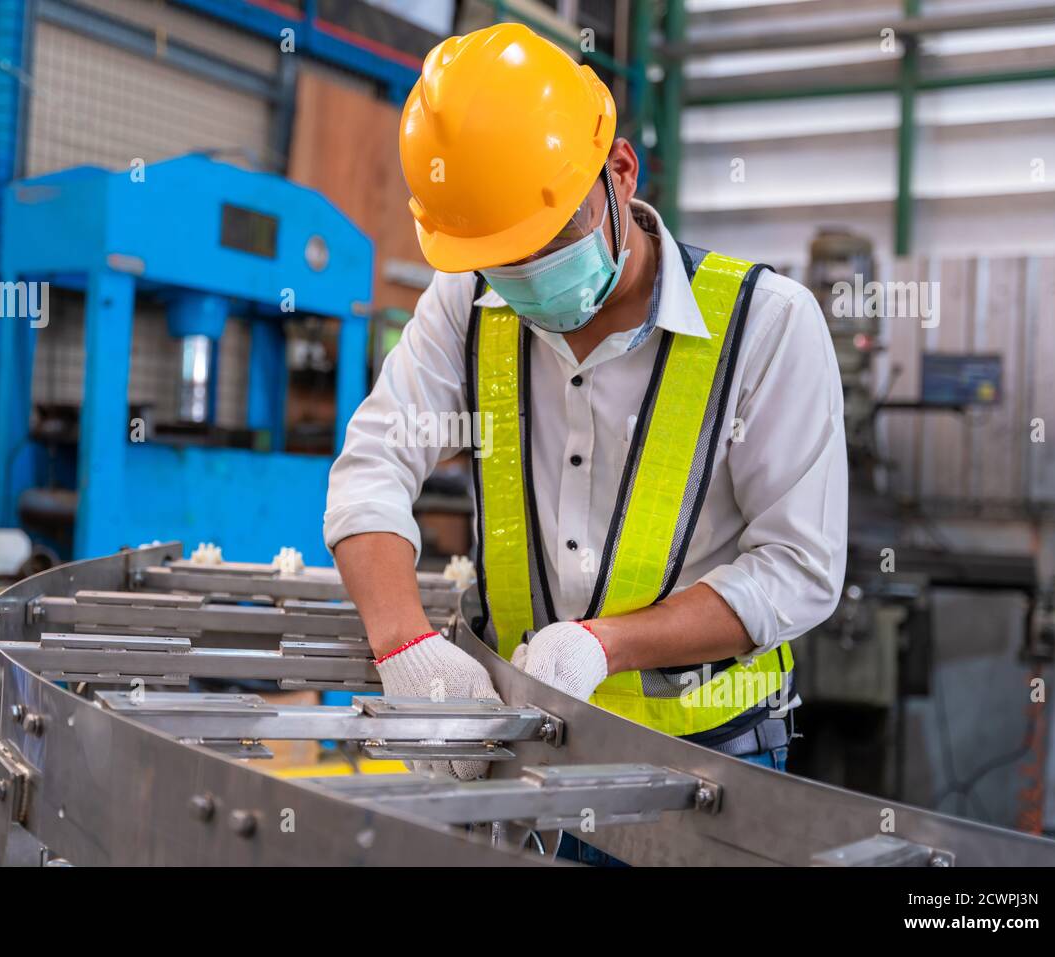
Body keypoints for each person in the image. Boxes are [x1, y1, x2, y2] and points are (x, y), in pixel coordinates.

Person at [323, 22, 847, 810]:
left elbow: (800, 568)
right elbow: (373, 465)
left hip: (709, 772)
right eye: (504, 255)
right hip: (511, 758)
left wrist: (607, 644)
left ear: (621, 172)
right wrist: (408, 647)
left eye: (549, 237)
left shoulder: (766, 325)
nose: (529, 276)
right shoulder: (466, 302)